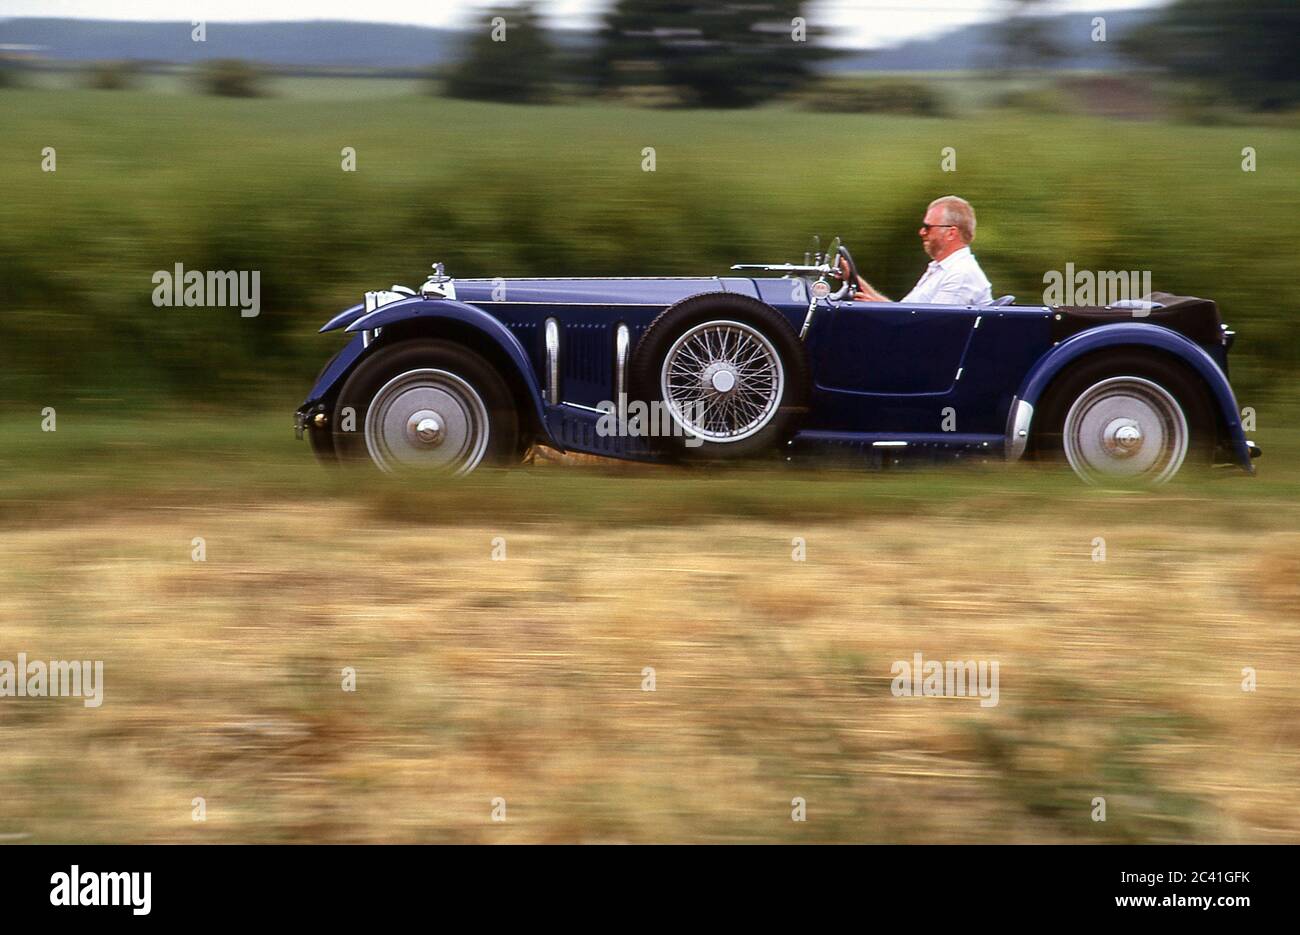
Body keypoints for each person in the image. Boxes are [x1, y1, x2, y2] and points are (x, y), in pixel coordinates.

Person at [843, 195, 993, 305]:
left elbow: (932, 328)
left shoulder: (960, 274)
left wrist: (875, 306)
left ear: (951, 233)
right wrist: (852, 276)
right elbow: (902, 312)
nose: (921, 232)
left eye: (928, 228)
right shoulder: (941, 269)